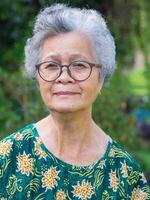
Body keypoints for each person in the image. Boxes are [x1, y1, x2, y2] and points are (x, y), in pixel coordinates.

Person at [0, 3, 149, 199]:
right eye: (51, 65)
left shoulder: (125, 175)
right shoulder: (8, 157)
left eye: (79, 65)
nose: (64, 77)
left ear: (101, 77)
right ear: (37, 76)